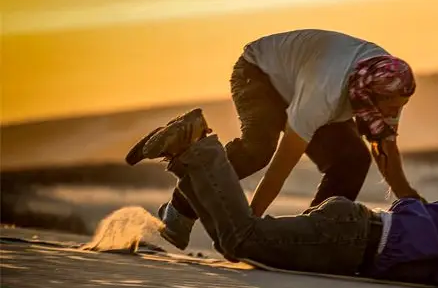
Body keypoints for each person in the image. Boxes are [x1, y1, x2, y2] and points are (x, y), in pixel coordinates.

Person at [125, 108, 438, 288]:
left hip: (355, 228)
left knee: (237, 242)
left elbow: (425, 222)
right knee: (243, 239)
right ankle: (198, 145)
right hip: (351, 240)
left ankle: (189, 153)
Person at [126, 28, 422, 251]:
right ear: (369, 92)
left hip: (301, 78)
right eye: (392, 106)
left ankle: (313, 239)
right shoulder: (324, 93)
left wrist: (413, 203)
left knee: (353, 159)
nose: (395, 112)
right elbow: (281, 167)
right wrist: (247, 231)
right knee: (259, 149)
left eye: (401, 106)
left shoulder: (387, 85)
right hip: (259, 72)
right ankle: (178, 208)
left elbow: (385, 149)